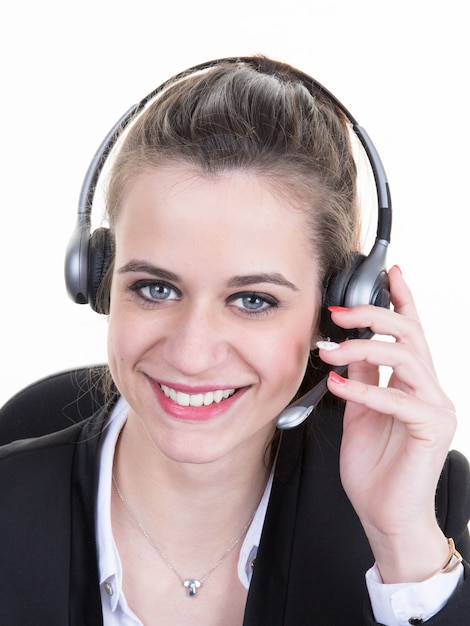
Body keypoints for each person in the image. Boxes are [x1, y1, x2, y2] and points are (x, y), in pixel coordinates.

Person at [0, 56, 469, 626]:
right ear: (97, 278)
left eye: (254, 300)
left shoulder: (423, 510)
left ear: (338, 309)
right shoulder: (10, 505)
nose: (192, 353)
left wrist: (402, 547)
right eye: (154, 288)